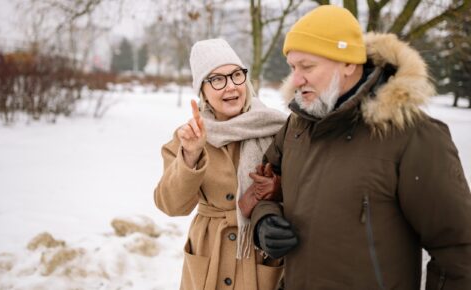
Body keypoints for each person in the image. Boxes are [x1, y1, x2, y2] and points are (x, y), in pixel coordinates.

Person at [249, 5, 471, 290]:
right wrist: (264, 221)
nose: (296, 79)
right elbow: (261, 184)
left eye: (307, 67)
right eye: (293, 67)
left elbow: (458, 249)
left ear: (348, 64)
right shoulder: (297, 126)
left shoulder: (413, 136)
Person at [154, 38, 287, 290]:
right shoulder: (190, 136)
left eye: (236, 75)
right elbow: (171, 206)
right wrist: (190, 156)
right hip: (209, 256)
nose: (231, 87)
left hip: (259, 253)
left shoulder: (276, 129)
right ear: (201, 90)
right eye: (216, 79)